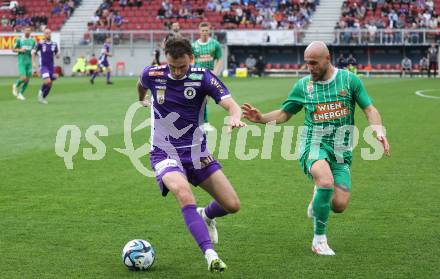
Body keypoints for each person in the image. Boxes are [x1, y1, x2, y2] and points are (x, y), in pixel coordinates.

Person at [241, 41, 390, 256]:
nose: (309, 67)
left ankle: (318, 198)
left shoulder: (349, 80)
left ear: (327, 59)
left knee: (339, 205)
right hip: (313, 144)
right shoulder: (303, 86)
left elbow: (369, 109)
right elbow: (285, 114)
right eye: (306, 63)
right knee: (326, 181)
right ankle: (319, 240)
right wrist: (261, 118)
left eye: (314, 63)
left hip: (340, 150)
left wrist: (379, 132)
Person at [137, 36, 245, 272]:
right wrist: (141, 99)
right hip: (163, 152)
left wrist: (235, 117)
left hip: (197, 152)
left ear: (192, 59)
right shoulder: (153, 74)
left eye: (182, 67)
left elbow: (231, 104)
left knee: (232, 205)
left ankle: (206, 215)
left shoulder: (203, 77)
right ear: (166, 59)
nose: (176, 72)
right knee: (183, 192)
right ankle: (210, 255)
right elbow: (141, 84)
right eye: (172, 66)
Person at [191, 22, 223, 132]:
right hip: (196, 75)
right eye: (202, 30)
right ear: (199, 31)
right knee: (201, 99)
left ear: (209, 31)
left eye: (206, 30)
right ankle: (204, 123)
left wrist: (215, 71)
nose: (204, 32)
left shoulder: (215, 44)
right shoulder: (194, 45)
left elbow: (219, 59)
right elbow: (191, 59)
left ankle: (201, 122)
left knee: (204, 99)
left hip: (209, 75)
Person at [32, 28, 60, 105]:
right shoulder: (40, 43)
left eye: (49, 33)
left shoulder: (54, 44)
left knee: (50, 83)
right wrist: (34, 63)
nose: (48, 34)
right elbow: (33, 53)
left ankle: (43, 98)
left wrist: (58, 55)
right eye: (46, 33)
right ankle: (40, 93)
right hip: (43, 66)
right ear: (44, 34)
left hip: (51, 66)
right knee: (47, 81)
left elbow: (57, 54)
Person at [12, 25, 36, 101]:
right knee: (23, 78)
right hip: (22, 61)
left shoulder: (33, 41)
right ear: (23, 31)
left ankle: (20, 94)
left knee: (27, 80)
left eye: (29, 30)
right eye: (26, 30)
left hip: (29, 62)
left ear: (31, 32)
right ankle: (16, 84)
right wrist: (20, 50)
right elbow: (13, 49)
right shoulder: (19, 40)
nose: (27, 31)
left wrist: (33, 62)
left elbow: (33, 52)